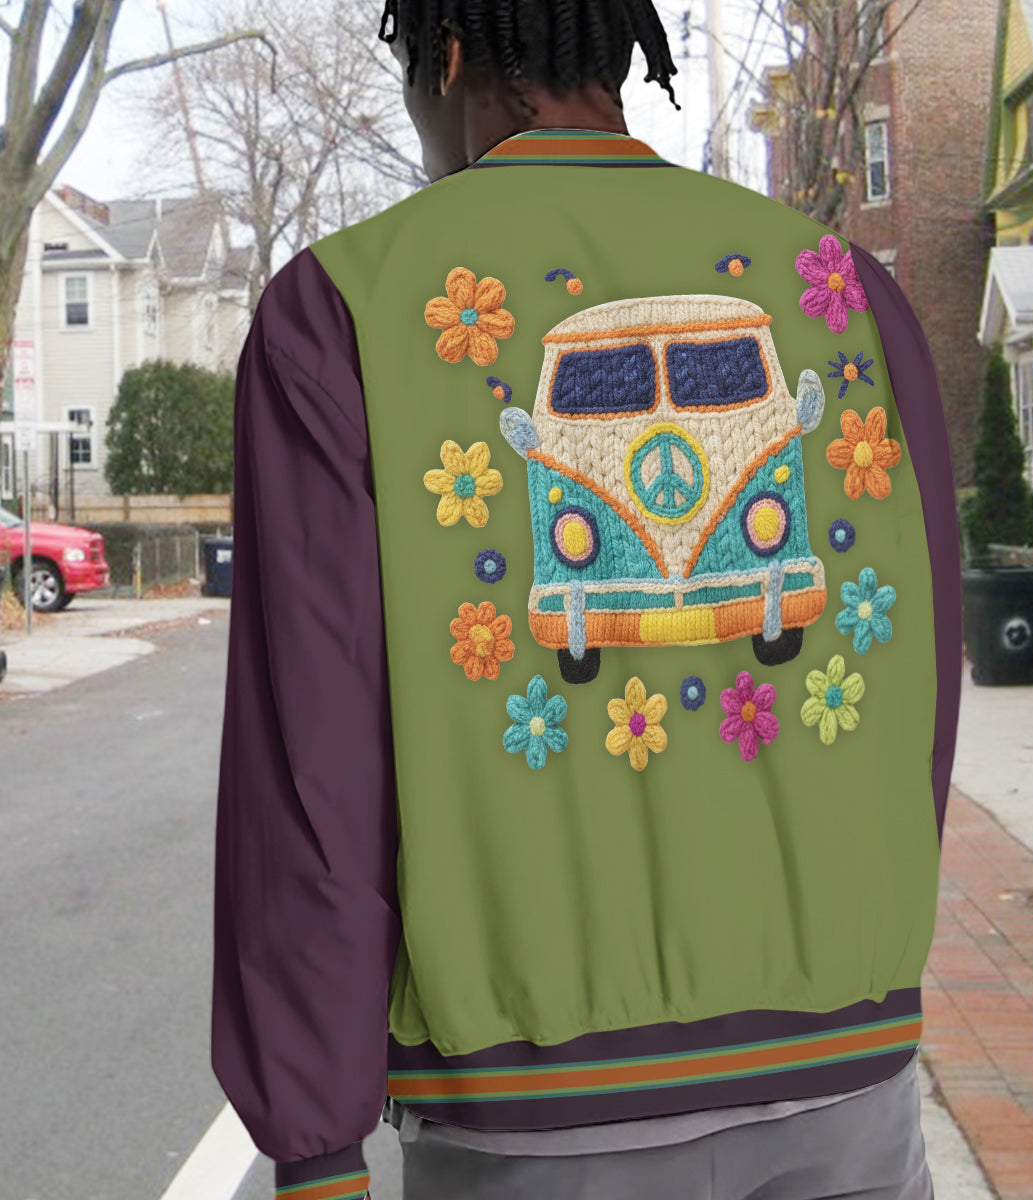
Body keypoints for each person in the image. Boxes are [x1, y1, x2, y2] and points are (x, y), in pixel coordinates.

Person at [211, 2, 962, 1198]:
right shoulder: (845, 288)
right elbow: (918, 688)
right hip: (850, 1069)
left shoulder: (345, 307)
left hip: (533, 1111)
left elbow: (313, 752)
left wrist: (316, 1142)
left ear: (449, 55)